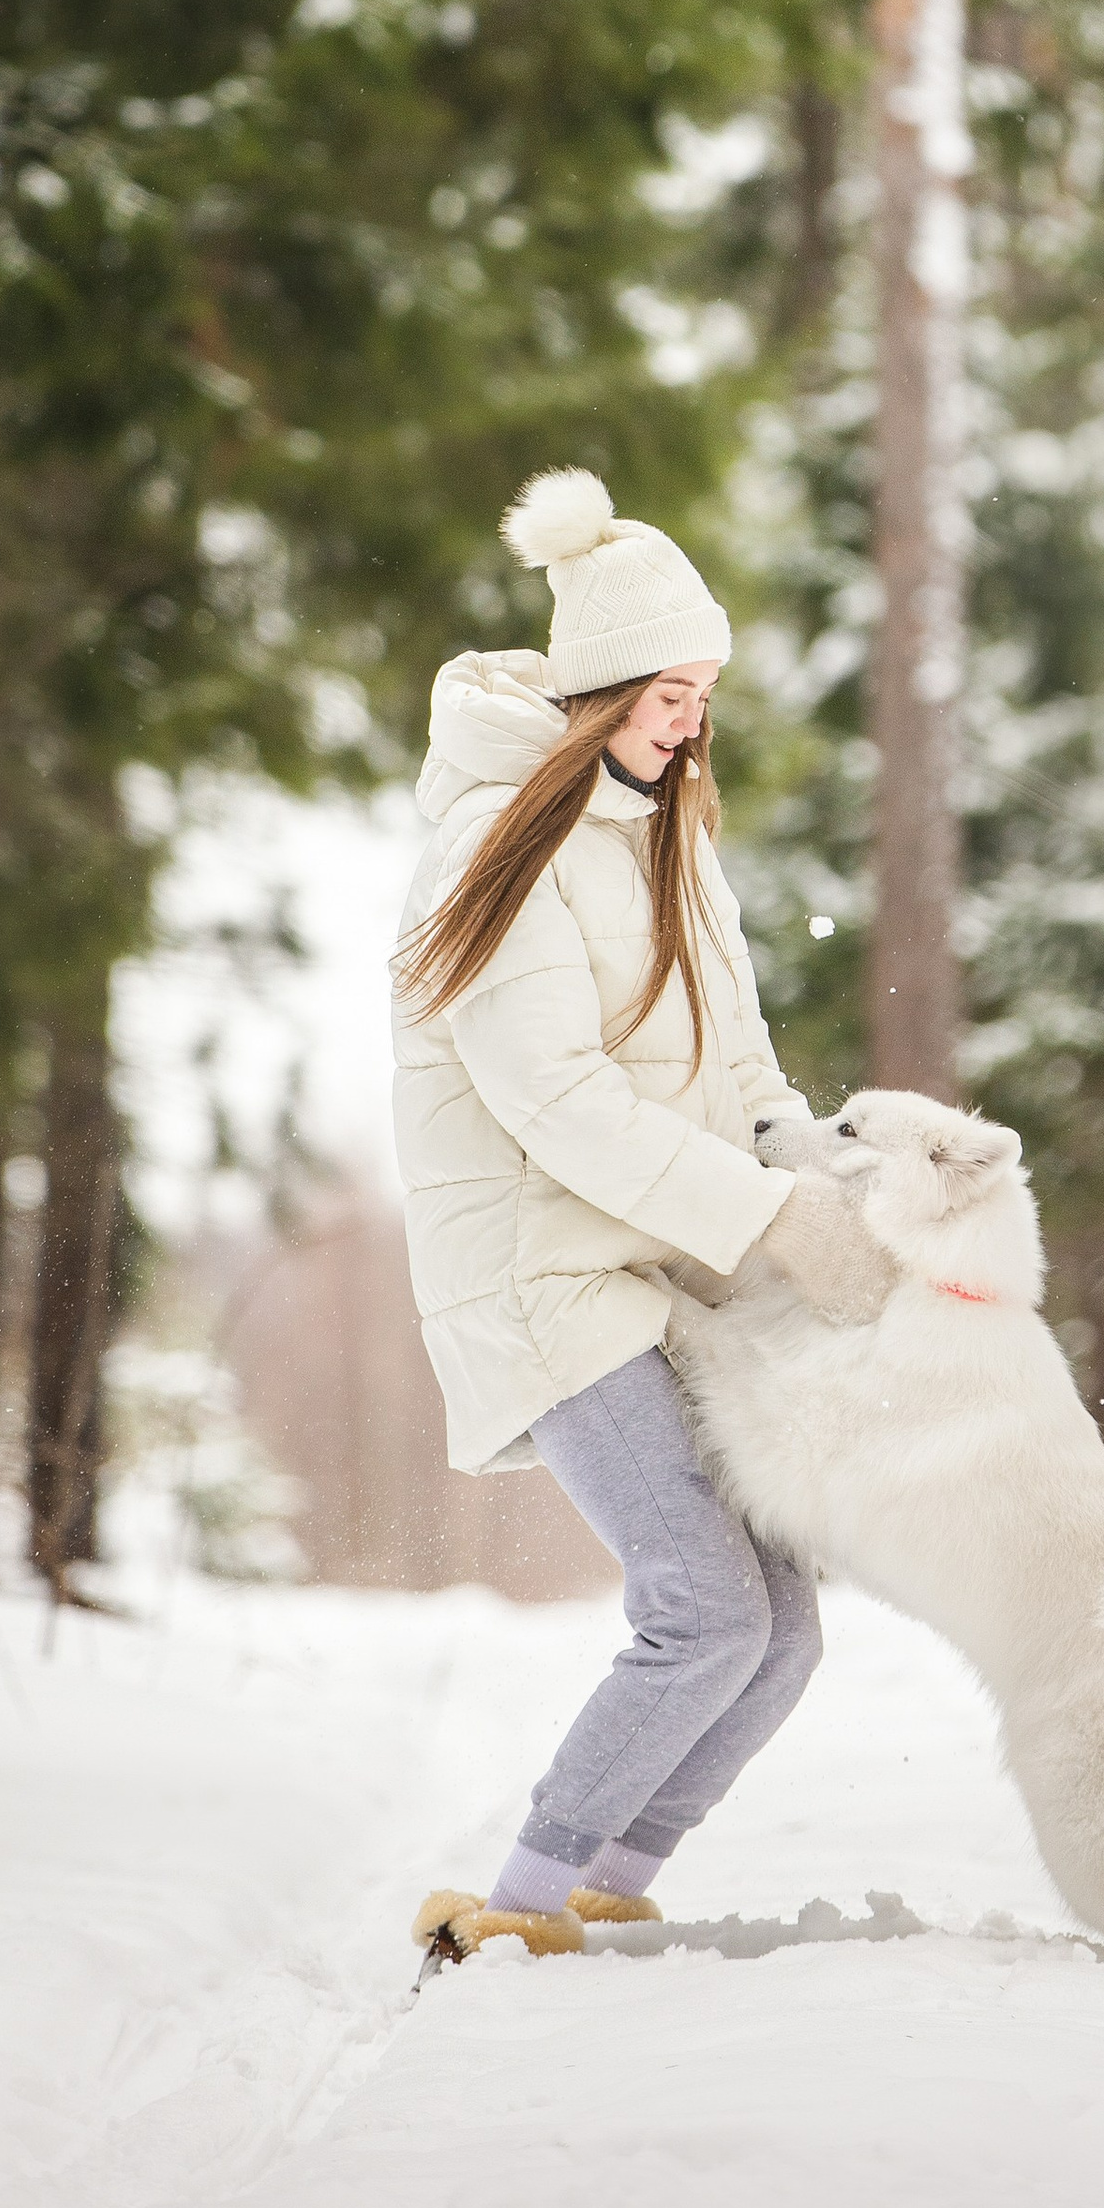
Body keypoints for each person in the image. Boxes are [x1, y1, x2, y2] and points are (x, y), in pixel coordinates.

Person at [392, 465, 890, 1967]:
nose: (691, 721)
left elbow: (736, 1072)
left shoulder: (674, 839)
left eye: (703, 693)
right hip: (544, 1274)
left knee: (780, 1628)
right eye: (670, 691)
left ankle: (608, 1876)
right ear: (600, 689)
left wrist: (824, 1176)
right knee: (701, 1606)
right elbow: (556, 1103)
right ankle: (514, 1913)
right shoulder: (498, 846)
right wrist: (769, 1225)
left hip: (649, 1259)